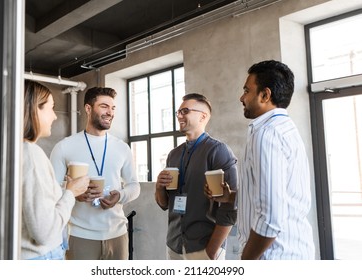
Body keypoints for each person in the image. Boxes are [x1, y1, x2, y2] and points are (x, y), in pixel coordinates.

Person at [50, 87, 140, 260]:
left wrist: (119, 195)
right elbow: (51, 189)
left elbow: (134, 185)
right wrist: (73, 193)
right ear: (88, 108)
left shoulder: (122, 148)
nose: (110, 112)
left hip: (118, 235)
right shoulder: (64, 146)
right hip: (80, 236)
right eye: (104, 106)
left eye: (113, 108)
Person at [237, 60, 315, 259]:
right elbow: (280, 196)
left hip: (275, 257)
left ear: (265, 95)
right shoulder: (285, 128)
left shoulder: (267, 133)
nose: (242, 97)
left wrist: (246, 262)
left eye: (247, 90)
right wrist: (233, 197)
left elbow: (270, 219)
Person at [155, 93, 238, 260]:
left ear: (203, 116)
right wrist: (159, 187)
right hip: (174, 245)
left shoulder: (218, 151)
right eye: (178, 112)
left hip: (204, 247)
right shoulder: (173, 154)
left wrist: (212, 250)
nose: (179, 116)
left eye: (185, 111)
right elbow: (165, 204)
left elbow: (231, 206)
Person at [21, 80, 89, 260]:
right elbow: (44, 232)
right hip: (40, 257)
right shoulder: (31, 154)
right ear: (35, 109)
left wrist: (62, 191)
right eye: (51, 108)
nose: (55, 116)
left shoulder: (11, 150)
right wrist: (70, 193)